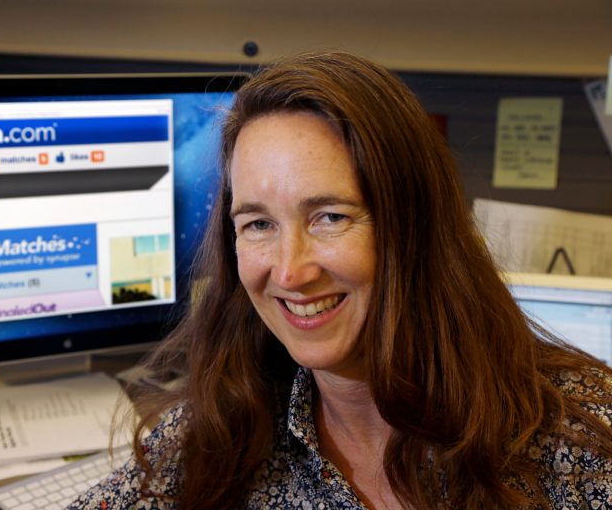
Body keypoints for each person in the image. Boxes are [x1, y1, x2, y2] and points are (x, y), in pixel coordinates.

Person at [68, 52, 612, 509]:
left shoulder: (581, 444)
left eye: (330, 217)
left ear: (413, 227)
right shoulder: (221, 430)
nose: (289, 271)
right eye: (258, 224)